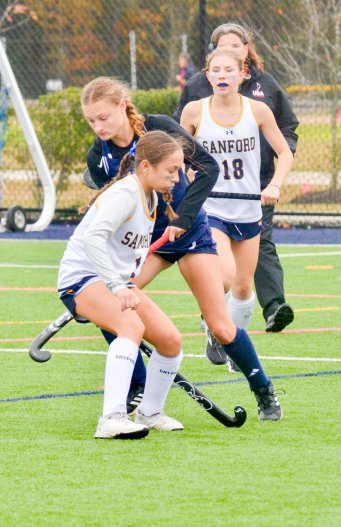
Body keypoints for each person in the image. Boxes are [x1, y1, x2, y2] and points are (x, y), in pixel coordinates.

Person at [81, 76, 282, 422]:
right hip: (148, 245)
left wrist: (183, 218)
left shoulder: (158, 129)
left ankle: (263, 389)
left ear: (120, 106)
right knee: (111, 302)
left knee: (220, 325)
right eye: (90, 121)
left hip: (189, 233)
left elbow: (208, 168)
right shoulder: (98, 159)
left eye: (103, 117)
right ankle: (138, 387)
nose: (98, 126)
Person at [57, 130, 186, 439]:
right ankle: (111, 417)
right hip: (82, 279)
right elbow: (93, 238)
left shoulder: (150, 197)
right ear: (146, 167)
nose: (177, 178)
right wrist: (117, 286)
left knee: (170, 341)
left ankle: (150, 411)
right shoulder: (125, 193)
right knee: (131, 327)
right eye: (171, 170)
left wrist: (123, 280)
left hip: (113, 280)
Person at [174, 22, 300, 336]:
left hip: (249, 206)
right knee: (225, 276)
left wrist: (274, 185)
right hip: (211, 204)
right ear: (207, 74)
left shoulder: (258, 110)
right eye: (215, 70)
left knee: (243, 288)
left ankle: (231, 343)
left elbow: (285, 152)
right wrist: (184, 172)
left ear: (242, 72)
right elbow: (176, 154)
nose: (221, 75)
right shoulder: (193, 110)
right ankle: (214, 328)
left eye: (229, 70)